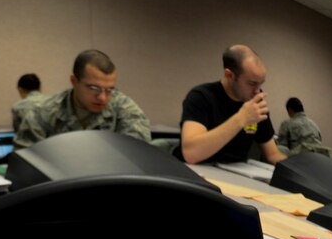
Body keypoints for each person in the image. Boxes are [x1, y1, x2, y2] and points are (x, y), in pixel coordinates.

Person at [15, 50, 151, 148]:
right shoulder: (41, 113)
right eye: (93, 88)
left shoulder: (125, 109)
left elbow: (137, 160)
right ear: (74, 81)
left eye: (109, 90)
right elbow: (26, 167)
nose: (102, 97)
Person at [180, 44, 285, 165]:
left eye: (260, 84)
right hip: (198, 171)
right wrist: (242, 118)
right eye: (251, 83)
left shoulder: (255, 103)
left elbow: (272, 154)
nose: (258, 91)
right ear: (229, 75)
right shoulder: (201, 96)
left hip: (234, 174)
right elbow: (191, 154)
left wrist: (298, 170)